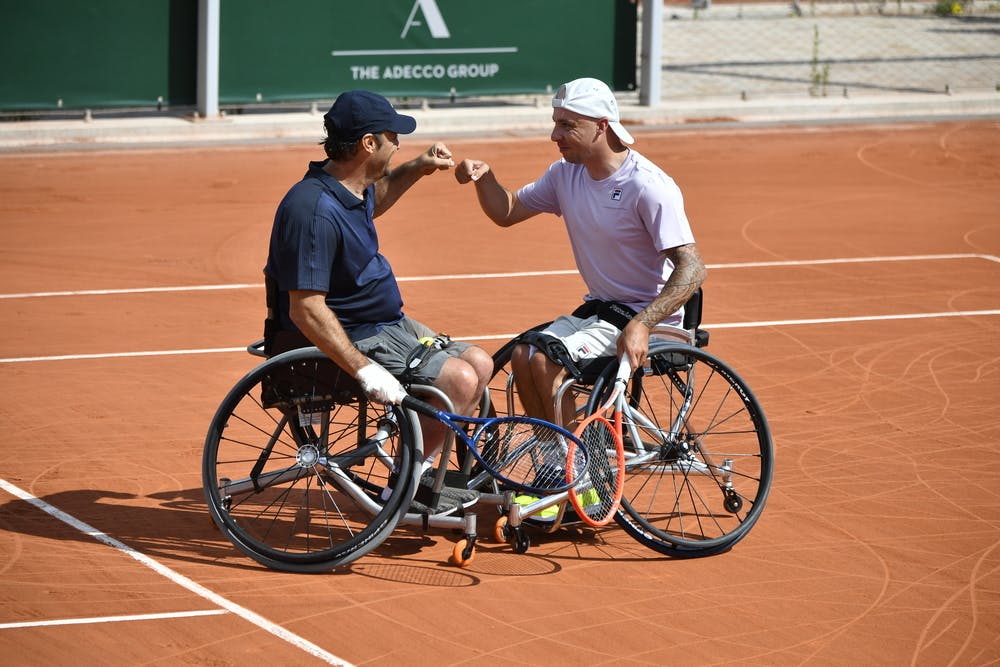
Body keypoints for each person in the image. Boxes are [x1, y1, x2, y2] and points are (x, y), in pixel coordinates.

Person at [264, 89, 494, 508]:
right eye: (392, 136)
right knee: (459, 380)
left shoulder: (350, 186)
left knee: (480, 363)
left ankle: (422, 471)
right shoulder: (312, 210)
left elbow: (376, 199)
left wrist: (419, 167)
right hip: (352, 336)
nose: (398, 142)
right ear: (369, 144)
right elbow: (306, 308)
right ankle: (409, 480)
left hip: (386, 326)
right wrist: (362, 368)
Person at [455, 77, 707, 426]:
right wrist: (485, 178)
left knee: (545, 361)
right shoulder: (564, 175)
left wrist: (643, 323)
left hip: (650, 320)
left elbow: (692, 268)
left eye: (566, 125)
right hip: (602, 312)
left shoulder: (648, 186)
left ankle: (580, 470)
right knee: (524, 353)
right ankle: (554, 461)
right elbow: (508, 211)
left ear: (601, 126)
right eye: (555, 124)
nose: (554, 136)